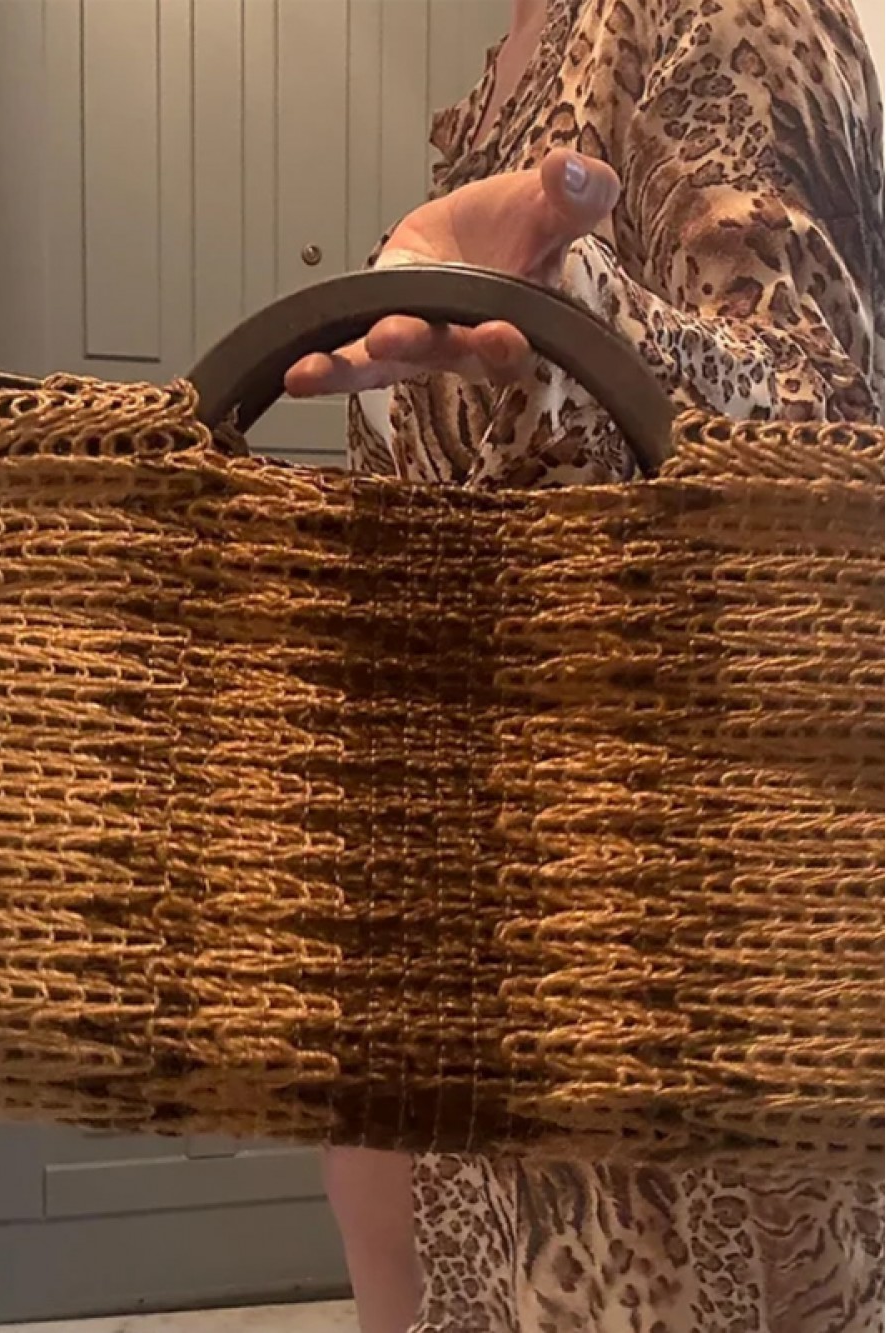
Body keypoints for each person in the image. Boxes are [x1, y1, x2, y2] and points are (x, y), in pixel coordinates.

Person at [285, 1, 885, 1330]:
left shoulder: (717, 10)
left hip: (658, 970)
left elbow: (825, 434)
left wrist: (564, 311)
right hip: (498, 929)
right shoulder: (521, 56)